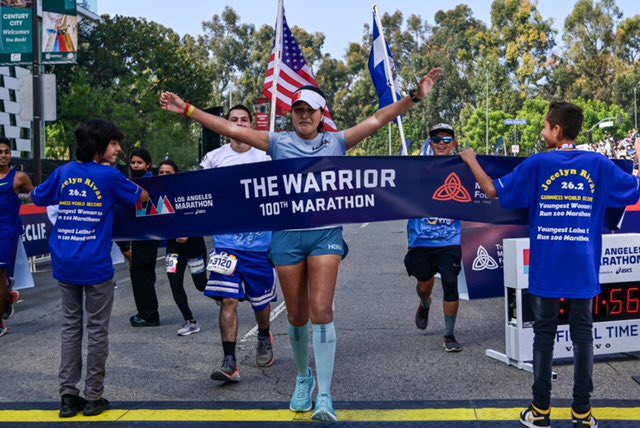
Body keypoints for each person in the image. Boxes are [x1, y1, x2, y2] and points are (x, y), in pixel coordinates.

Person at [160, 67, 441, 422]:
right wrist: (188, 110)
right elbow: (230, 128)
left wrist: (414, 97)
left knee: (322, 311)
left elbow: (377, 120)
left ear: (322, 115)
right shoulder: (278, 142)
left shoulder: (336, 142)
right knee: (296, 316)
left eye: (311, 110)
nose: (304, 115)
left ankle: (325, 394)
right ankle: (303, 378)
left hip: (325, 234)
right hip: (287, 238)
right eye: (298, 110)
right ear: (291, 114)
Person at [460, 102, 640, 428]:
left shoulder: (538, 164)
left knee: (543, 336)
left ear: (556, 130)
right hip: (583, 267)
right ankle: (582, 413)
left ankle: (540, 412)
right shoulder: (598, 164)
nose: (542, 132)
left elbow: (490, 190)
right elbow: (634, 189)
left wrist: (471, 160)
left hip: (546, 266)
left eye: (545, 126)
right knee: (583, 336)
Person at [30, 119, 149, 418]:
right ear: (98, 147)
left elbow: (37, 197)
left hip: (65, 262)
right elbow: (142, 197)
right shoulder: (109, 176)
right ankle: (93, 397)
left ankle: (68, 398)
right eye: (113, 143)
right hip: (95, 265)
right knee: (97, 331)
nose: (118, 148)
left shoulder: (63, 172)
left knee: (70, 328)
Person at [200, 104, 276, 381]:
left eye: (244, 120)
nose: (239, 124)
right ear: (225, 125)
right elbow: (198, 195)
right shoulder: (213, 158)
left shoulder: (267, 157)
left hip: (259, 245)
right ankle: (229, 360)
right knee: (228, 300)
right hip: (226, 245)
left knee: (260, 303)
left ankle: (265, 336)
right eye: (233, 120)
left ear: (252, 124)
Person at [404, 123, 463, 352]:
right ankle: (424, 303)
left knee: (450, 283)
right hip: (421, 240)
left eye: (447, 140)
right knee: (424, 284)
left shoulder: (461, 169)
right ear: (431, 144)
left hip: (450, 239)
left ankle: (449, 335)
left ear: (454, 145)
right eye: (437, 140)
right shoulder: (417, 169)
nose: (441, 143)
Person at [158, 160, 207, 336]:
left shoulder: (188, 190)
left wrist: (189, 232)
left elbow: (202, 215)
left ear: (176, 174)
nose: (163, 175)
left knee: (201, 285)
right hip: (173, 247)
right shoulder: (156, 194)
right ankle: (190, 321)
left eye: (168, 173)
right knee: (174, 282)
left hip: (194, 245)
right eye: (161, 172)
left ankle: (224, 296)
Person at [0, 137, 33, 336]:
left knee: (0, 275)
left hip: (6, 234)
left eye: (6, 151)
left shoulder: (19, 178)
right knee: (2, 280)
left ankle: (0, 323)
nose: (3, 155)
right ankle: (8, 296)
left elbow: (38, 195)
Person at [126, 149, 161, 327]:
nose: (135, 166)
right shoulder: (134, 181)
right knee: (139, 274)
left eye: (139, 163)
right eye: (133, 163)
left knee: (142, 275)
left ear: (148, 164)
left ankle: (149, 314)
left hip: (147, 234)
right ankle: (144, 312)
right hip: (139, 234)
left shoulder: (149, 182)